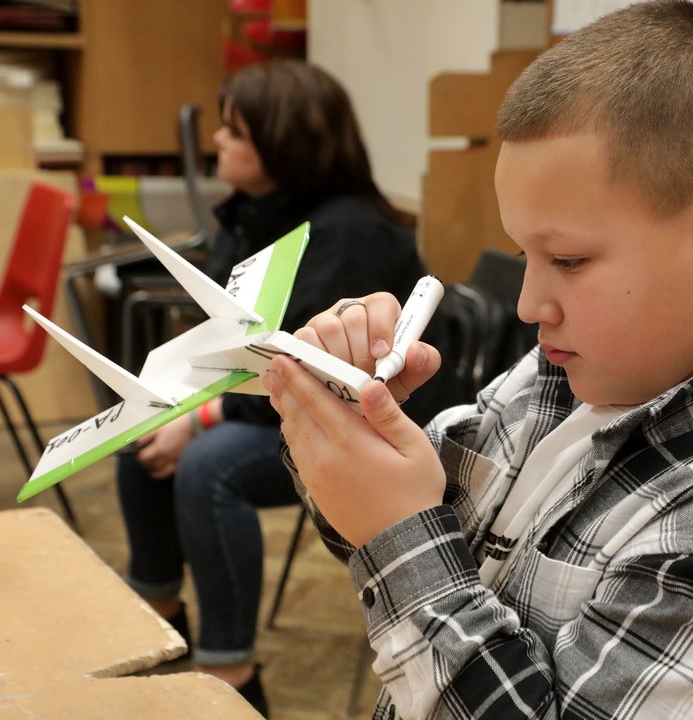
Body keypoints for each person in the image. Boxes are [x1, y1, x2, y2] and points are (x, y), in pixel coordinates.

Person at [264, 2, 693, 718]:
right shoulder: (574, 373)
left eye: (567, 260)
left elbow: (408, 547)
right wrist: (343, 422)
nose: (529, 305)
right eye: (526, 255)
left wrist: (397, 531)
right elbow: (402, 535)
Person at [115, 59, 432, 716]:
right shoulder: (253, 214)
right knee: (136, 435)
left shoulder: (347, 232)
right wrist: (178, 406)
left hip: (352, 421)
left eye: (235, 131)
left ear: (284, 142)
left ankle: (229, 671)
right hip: (272, 406)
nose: (218, 141)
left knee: (209, 467)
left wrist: (198, 420)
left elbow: (311, 375)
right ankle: (156, 619)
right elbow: (224, 344)